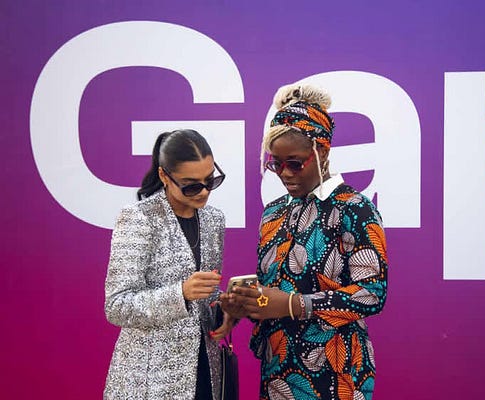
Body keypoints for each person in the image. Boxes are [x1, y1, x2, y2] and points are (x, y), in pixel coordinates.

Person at [222, 84, 388, 400]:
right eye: (276, 163)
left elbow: (372, 293)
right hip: (278, 371)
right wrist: (244, 304)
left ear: (321, 152)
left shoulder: (354, 208)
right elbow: (276, 288)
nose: (285, 173)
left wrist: (292, 304)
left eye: (295, 163)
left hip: (337, 372)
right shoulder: (273, 212)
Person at [104, 129, 235, 400]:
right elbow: (117, 306)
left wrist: (225, 309)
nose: (204, 192)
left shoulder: (214, 220)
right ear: (164, 176)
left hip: (205, 375)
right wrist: (180, 294)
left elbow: (205, 297)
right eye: (191, 185)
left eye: (210, 180)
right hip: (148, 382)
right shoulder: (140, 218)